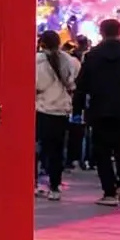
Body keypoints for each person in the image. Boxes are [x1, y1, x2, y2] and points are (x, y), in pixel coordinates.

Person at [73, 17, 120, 206]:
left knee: (102, 151)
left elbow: (82, 85)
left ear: (101, 32)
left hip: (99, 109)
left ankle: (109, 192)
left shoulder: (92, 55)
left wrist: (78, 109)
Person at [35, 30, 80, 200]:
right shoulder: (70, 61)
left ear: (41, 43)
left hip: (41, 109)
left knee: (38, 149)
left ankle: (35, 183)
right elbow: (74, 84)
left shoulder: (36, 61)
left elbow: (35, 85)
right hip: (61, 111)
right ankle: (55, 186)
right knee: (57, 150)